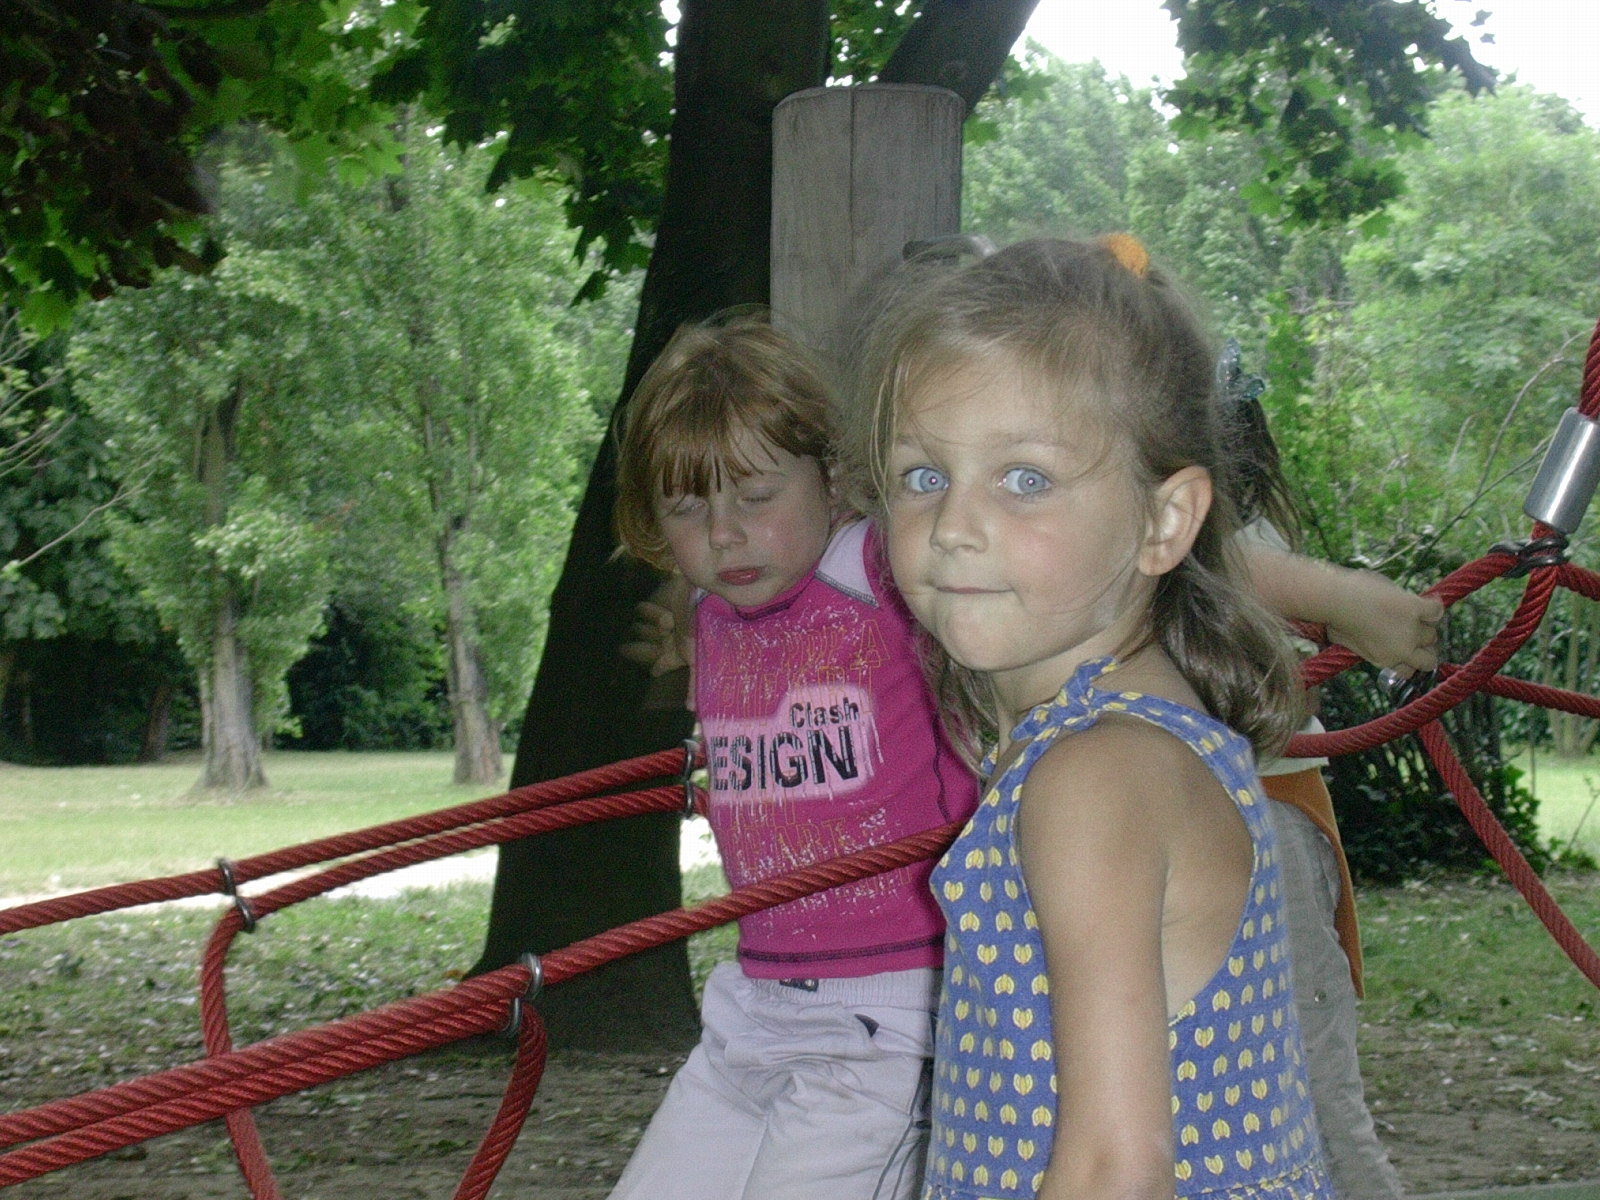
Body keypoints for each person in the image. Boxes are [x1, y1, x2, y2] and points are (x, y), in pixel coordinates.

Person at [856, 233, 1334, 1199]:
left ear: (1164, 521)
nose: (954, 526)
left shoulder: (1094, 775)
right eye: (923, 476)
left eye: (1025, 478)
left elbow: (1118, 1168)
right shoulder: (1133, 731)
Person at [606, 315, 980, 1200]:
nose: (724, 535)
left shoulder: (880, 568)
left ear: (835, 477)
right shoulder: (712, 612)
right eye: (687, 509)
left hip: (892, 1011)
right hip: (757, 1001)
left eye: (756, 496)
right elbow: (709, 560)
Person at [1220, 347, 1443, 1199]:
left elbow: (1282, 697)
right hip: (1193, 825)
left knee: (1314, 1085)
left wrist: (1339, 600)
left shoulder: (1247, 548)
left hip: (1267, 820)